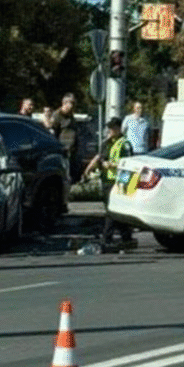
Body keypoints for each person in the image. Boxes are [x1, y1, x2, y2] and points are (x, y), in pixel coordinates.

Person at [82, 117, 135, 250]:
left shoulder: (125, 144)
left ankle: (107, 238)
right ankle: (126, 236)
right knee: (115, 210)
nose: (110, 130)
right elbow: (99, 157)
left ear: (118, 128)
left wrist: (113, 165)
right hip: (106, 180)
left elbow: (130, 164)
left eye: (112, 128)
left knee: (112, 211)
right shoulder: (106, 143)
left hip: (119, 181)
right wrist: (88, 169)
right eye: (109, 128)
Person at [50, 93, 81, 182]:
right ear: (64, 104)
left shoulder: (71, 116)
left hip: (71, 153)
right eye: (71, 105)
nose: (72, 108)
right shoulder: (57, 116)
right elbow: (52, 134)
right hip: (62, 153)